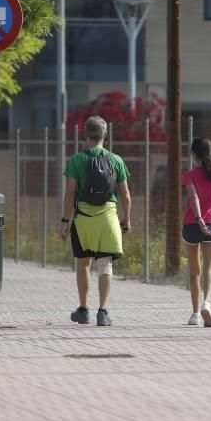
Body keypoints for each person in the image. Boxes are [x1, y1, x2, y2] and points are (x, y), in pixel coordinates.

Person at [61, 116, 131, 327]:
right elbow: (125, 195)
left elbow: (70, 193)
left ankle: (83, 310)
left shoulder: (76, 160)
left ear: (85, 135)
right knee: (105, 265)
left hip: (83, 219)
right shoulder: (116, 160)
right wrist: (126, 218)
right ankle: (103, 312)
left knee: (84, 263)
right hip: (108, 217)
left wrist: (65, 220)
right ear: (105, 135)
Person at [182, 138, 211, 327]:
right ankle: (207, 304)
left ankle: (195, 314)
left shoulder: (190, 175)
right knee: (210, 268)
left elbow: (192, 196)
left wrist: (198, 218)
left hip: (191, 225)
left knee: (194, 270)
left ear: (193, 154)